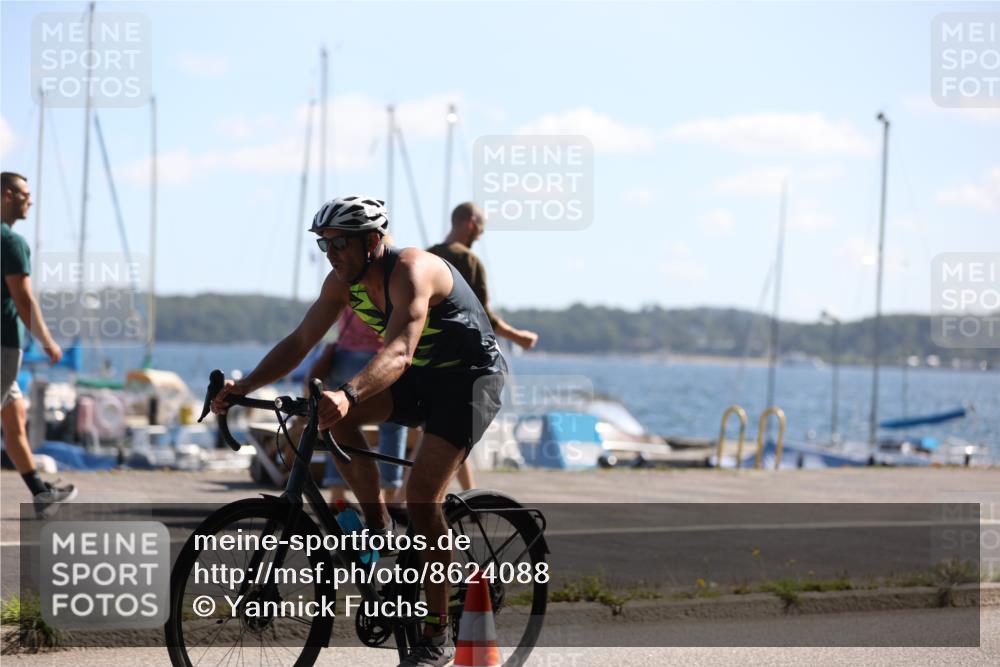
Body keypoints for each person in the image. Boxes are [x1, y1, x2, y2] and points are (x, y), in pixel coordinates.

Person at [212, 195, 506, 667]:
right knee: (328, 418)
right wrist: (243, 386)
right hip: (422, 378)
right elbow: (299, 342)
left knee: (421, 493)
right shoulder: (341, 283)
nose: (331, 255)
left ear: (372, 241)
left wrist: (347, 391)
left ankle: (438, 631)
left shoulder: (412, 270)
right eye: (324, 245)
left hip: (470, 379)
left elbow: (400, 352)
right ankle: (378, 526)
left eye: (339, 244)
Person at [428, 201, 538, 490]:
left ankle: (468, 493)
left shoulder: (426, 257)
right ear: (470, 223)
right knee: (449, 432)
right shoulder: (470, 261)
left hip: (427, 361)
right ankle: (406, 499)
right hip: (464, 363)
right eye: (482, 226)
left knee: (443, 432)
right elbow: (482, 314)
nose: (482, 233)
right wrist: (518, 337)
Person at [1, 172, 76, 514]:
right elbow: (23, 300)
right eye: (25, 194)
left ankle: (41, 494)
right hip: (2, 348)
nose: (30, 200)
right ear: (7, 196)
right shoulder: (11, 243)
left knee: (15, 419)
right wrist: (47, 341)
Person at [307, 307, 408, 524]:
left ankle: (336, 491)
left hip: (345, 355)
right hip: (380, 356)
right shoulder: (386, 283)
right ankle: (390, 496)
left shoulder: (350, 282)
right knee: (393, 426)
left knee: (333, 420)